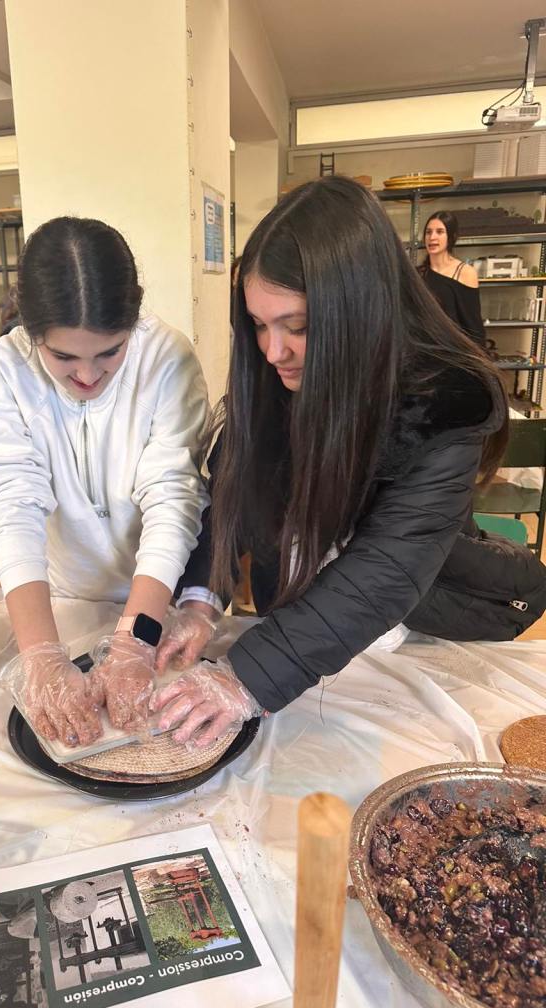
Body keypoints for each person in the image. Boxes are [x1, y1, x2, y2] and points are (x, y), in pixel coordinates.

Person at [152, 176, 546, 748]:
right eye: (259, 325)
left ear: (361, 312)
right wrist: (199, 599)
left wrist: (246, 678)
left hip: (405, 630)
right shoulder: (271, 376)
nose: (273, 350)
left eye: (298, 326)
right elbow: (229, 495)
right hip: (292, 624)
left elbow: (387, 568)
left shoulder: (444, 402)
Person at [0, 216, 209, 747]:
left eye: (110, 352)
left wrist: (135, 642)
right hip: (57, 601)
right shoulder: (3, 370)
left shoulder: (166, 358)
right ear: (32, 334)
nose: (88, 376)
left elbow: (173, 499)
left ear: (132, 322)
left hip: (157, 602)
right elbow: (10, 504)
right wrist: (41, 656)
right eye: (63, 357)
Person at [420, 210, 486, 345]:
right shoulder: (419, 274)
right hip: (424, 351)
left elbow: (473, 325)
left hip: (453, 351)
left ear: (451, 237)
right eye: (428, 232)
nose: (432, 237)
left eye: (439, 232)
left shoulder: (465, 273)